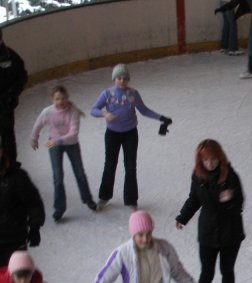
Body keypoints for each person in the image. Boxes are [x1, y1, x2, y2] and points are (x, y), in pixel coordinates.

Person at [175, 139, 245, 283]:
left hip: (230, 233)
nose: (210, 163)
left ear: (219, 157)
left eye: (213, 159)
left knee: (227, 270)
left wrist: (229, 199)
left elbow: (239, 205)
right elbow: (194, 199)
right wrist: (183, 217)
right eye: (205, 160)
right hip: (208, 233)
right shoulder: (198, 176)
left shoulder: (230, 176)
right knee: (206, 273)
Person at [90, 64, 172, 209]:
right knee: (110, 165)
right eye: (119, 78)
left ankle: (131, 200)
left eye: (125, 78)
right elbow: (93, 110)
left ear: (128, 79)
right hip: (112, 134)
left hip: (130, 134)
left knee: (130, 166)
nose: (122, 81)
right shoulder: (107, 94)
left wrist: (161, 118)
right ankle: (104, 196)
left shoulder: (133, 93)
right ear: (114, 79)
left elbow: (144, 110)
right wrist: (104, 113)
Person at [30, 85, 97, 222]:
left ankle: (88, 199)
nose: (60, 101)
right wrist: (34, 138)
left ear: (67, 98)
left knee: (79, 173)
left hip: (71, 144)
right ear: (52, 99)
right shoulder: (48, 112)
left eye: (63, 98)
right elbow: (38, 124)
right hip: (54, 144)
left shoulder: (73, 112)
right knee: (58, 176)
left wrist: (57, 141)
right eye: (57, 99)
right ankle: (59, 208)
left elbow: (73, 133)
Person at [0, 142, 45, 267]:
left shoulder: (18, 177)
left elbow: (34, 203)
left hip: (14, 240)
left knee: (16, 276)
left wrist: (35, 227)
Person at [0, 29, 28, 164]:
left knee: (8, 137)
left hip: (5, 106)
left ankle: (10, 165)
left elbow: (22, 76)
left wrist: (11, 94)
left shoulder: (10, 56)